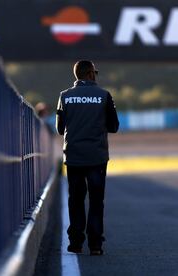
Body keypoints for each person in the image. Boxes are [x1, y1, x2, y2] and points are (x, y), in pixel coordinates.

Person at [55, 60, 119, 256]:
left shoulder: (64, 96)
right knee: (96, 201)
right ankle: (95, 245)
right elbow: (114, 126)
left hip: (73, 156)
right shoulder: (104, 95)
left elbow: (59, 129)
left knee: (75, 200)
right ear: (91, 74)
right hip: (97, 157)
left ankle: (75, 243)